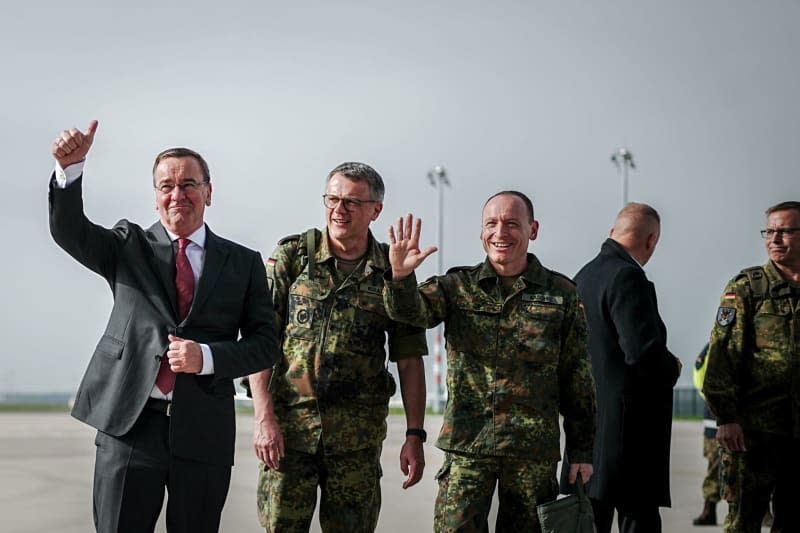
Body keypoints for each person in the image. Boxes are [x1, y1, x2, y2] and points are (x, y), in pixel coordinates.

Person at [48, 121, 279, 533]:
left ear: (209, 192)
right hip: (130, 425)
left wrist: (206, 357)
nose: (178, 195)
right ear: (155, 197)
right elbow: (70, 231)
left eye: (189, 184)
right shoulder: (126, 246)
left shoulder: (243, 263)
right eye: (166, 186)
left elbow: (266, 345)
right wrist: (71, 171)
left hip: (204, 429)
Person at [383, 191, 596, 533]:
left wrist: (582, 450)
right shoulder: (457, 287)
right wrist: (400, 279)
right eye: (492, 224)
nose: (501, 232)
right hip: (468, 447)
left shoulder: (561, 295)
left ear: (533, 229)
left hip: (532, 452)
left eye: (512, 223)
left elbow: (578, 378)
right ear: (481, 233)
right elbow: (412, 314)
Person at [247, 162, 428, 533]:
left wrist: (415, 434)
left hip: (356, 444)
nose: (339, 210)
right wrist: (264, 418)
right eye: (332, 199)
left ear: (375, 210)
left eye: (351, 202)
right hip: (289, 435)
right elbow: (260, 340)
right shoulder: (293, 257)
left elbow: (409, 360)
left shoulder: (392, 271)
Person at [562, 202, 681, 533]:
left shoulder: (582, 277)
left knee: (589, 520)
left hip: (587, 431)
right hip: (628, 435)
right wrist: (672, 366)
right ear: (651, 239)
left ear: (613, 232)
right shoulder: (628, 276)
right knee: (637, 521)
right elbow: (642, 352)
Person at [703, 201, 800, 533]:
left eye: (785, 231)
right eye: (770, 231)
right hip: (753, 434)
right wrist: (726, 418)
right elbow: (722, 355)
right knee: (743, 521)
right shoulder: (748, 288)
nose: (775, 239)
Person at [692, 343, 721, 526]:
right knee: (714, 466)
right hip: (714, 418)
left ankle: (764, 510)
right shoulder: (714, 345)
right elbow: (699, 376)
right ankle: (709, 508)